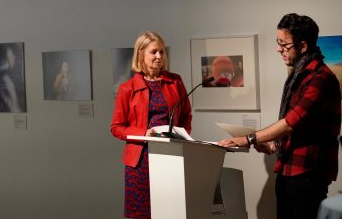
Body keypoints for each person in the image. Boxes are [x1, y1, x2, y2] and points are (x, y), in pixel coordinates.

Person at [219, 13, 341, 219]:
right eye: (278, 42)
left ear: (302, 47)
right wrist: (275, 145)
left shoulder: (320, 78)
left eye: (284, 44)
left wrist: (248, 139)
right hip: (289, 169)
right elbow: (299, 126)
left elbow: (292, 122)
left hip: (307, 174)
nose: (278, 49)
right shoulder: (299, 74)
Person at [111, 30, 192, 219]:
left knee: (172, 212)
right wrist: (144, 133)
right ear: (140, 54)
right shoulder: (127, 88)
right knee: (142, 214)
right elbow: (116, 127)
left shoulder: (175, 81)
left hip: (171, 156)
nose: (159, 57)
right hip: (140, 162)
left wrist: (182, 136)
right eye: (154, 52)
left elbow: (187, 115)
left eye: (162, 52)